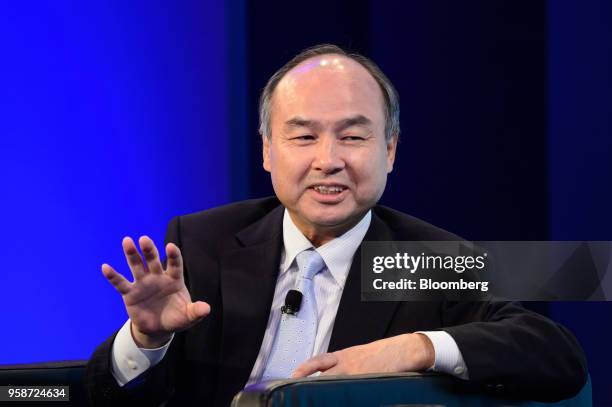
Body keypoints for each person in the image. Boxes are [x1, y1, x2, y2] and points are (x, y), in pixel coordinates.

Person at [85, 44, 587, 406]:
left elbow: (557, 358)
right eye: (303, 137)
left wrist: (415, 349)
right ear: (266, 150)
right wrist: (146, 340)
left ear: (389, 151)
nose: (328, 160)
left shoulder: (422, 260)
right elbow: (102, 395)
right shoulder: (201, 244)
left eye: (352, 136)